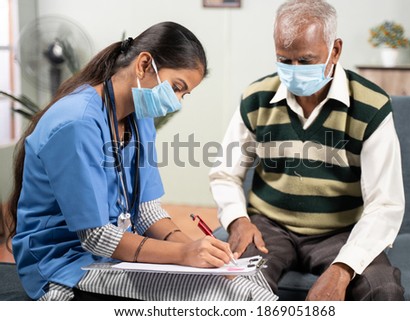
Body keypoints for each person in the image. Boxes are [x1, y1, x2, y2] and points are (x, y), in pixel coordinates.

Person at [6, 21, 277, 301]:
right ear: (144, 64)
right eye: (176, 87)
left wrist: (201, 251)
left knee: (249, 290)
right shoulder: (76, 124)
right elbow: (96, 237)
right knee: (228, 297)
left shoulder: (140, 119)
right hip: (65, 268)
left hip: (113, 257)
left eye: (184, 94)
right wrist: (183, 254)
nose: (178, 102)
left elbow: (147, 212)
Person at [209, 0, 405, 301]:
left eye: (305, 60)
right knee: (236, 286)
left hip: (339, 232)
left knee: (383, 288)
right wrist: (238, 219)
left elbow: (385, 203)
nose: (294, 70)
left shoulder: (371, 106)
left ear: (335, 50)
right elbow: (224, 172)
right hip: (268, 228)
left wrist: (343, 268)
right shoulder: (256, 98)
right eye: (284, 60)